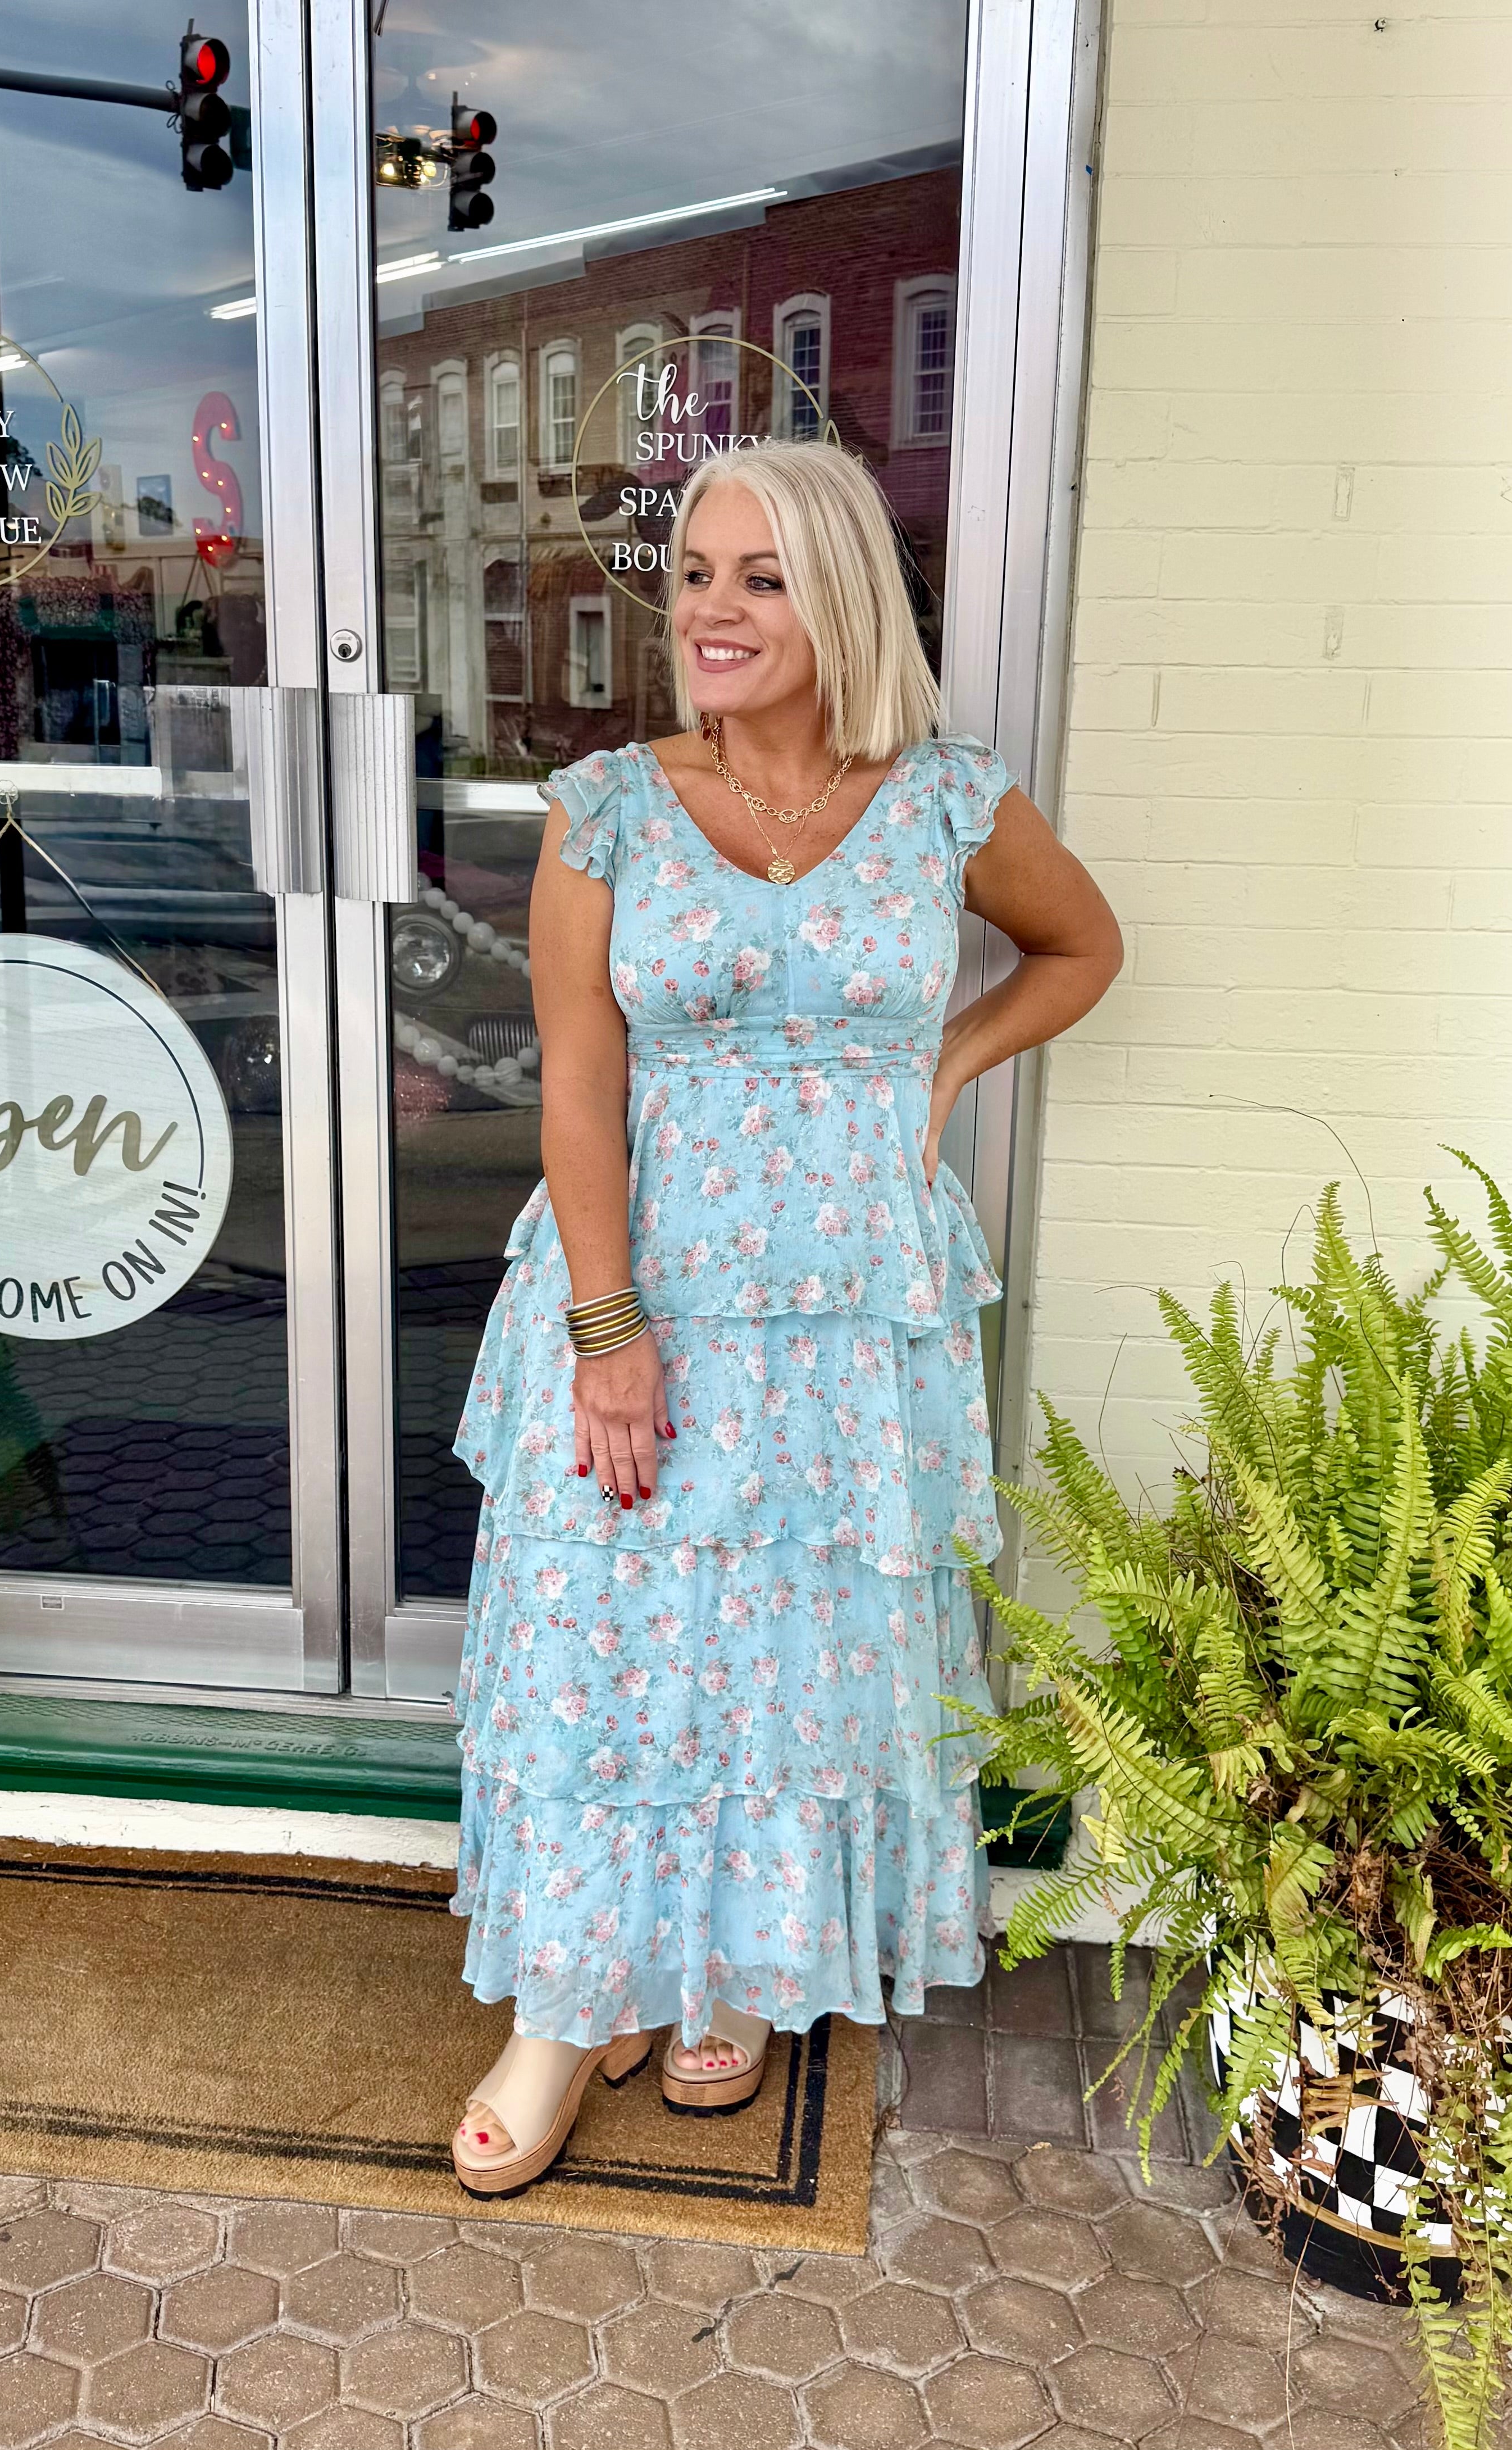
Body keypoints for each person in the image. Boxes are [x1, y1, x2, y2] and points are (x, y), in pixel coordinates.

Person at [448, 439, 1122, 2194]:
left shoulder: (946, 802)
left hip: (849, 1315)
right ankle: (571, 1983)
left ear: (839, 599)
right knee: (615, 1638)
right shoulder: (605, 806)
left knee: (798, 1659)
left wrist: (942, 1064)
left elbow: (1082, 947)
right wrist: (610, 1332)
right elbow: (578, 1091)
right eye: (693, 577)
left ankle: (732, 1971)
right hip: (652, 1280)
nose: (715, 612)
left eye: (760, 577)